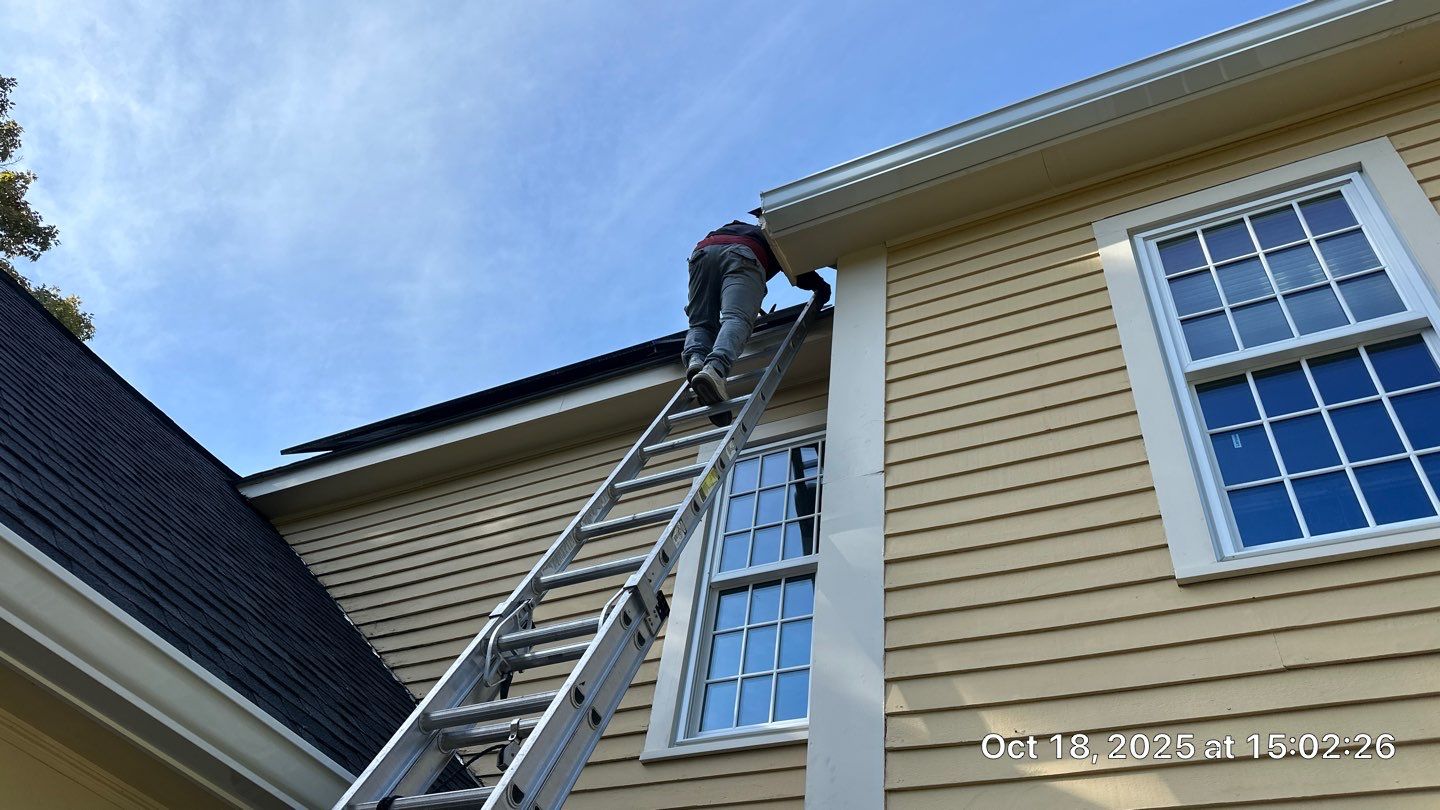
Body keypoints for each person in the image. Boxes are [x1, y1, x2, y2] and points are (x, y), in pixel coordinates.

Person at [683, 220, 830, 424]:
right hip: (743, 253)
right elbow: (794, 265)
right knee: (736, 318)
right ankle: (715, 369)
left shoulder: (735, 226)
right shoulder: (772, 231)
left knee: (701, 323)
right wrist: (821, 287)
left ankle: (696, 360)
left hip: (703, 253)